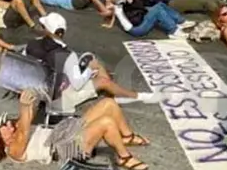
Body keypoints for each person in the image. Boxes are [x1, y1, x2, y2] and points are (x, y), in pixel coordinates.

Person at [0, 90, 150, 170]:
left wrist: (32, 94)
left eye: (7, 123)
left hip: (63, 131)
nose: (10, 125)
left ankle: (127, 137)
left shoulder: (14, 129)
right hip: (63, 148)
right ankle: (123, 157)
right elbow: (25, 128)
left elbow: (29, 114)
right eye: (5, 126)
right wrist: (24, 105)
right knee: (106, 123)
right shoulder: (13, 150)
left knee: (108, 104)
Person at [24, 12, 158, 106]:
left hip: (40, 87)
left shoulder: (31, 44)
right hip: (60, 96)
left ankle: (113, 93)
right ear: (61, 33)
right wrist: (89, 69)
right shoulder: (65, 55)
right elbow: (77, 84)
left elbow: (26, 62)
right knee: (102, 78)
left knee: (89, 58)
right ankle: (132, 96)